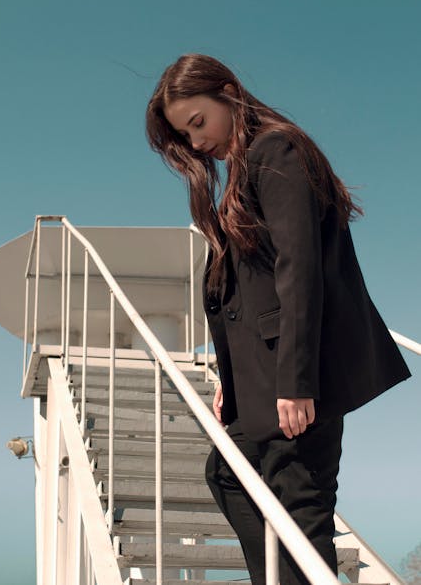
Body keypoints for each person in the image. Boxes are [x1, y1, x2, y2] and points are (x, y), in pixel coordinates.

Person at [145, 53, 411, 584]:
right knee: (227, 474)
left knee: (299, 507)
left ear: (228, 92)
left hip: (293, 378)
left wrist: (296, 381)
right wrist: (231, 379)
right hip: (257, 380)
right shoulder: (245, 169)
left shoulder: (276, 150)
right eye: (185, 135)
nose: (197, 144)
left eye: (199, 122)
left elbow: (299, 270)